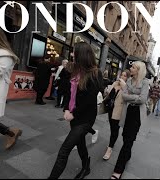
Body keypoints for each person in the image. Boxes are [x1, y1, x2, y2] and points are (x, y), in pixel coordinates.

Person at [48, 42, 103, 179]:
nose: (72, 54)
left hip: (85, 118)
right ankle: (86, 166)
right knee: (80, 143)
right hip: (73, 114)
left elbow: (89, 100)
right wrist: (66, 109)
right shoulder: (74, 70)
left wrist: (73, 113)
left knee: (64, 151)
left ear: (82, 55)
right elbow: (68, 93)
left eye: (74, 52)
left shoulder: (95, 73)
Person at [111, 61, 149, 179]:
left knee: (128, 141)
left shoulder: (145, 82)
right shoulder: (128, 81)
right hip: (127, 112)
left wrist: (130, 96)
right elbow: (124, 96)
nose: (130, 68)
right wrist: (134, 97)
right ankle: (127, 156)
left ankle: (118, 170)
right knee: (126, 137)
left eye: (133, 67)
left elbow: (142, 99)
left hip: (137, 114)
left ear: (139, 70)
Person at [103, 69, 131, 160]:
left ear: (127, 78)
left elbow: (128, 98)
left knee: (115, 129)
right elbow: (108, 95)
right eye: (121, 75)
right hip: (111, 109)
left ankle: (110, 148)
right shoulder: (115, 83)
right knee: (112, 129)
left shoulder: (127, 88)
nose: (122, 77)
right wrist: (107, 91)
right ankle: (112, 141)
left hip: (119, 111)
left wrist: (124, 87)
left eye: (124, 76)